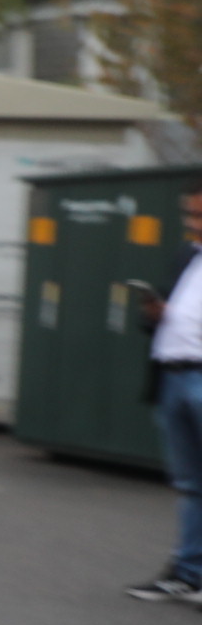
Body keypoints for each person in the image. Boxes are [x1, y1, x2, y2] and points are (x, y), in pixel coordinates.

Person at [131, 181, 202, 603]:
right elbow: (165, 322)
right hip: (172, 376)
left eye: (201, 217)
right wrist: (155, 313)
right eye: (190, 216)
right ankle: (188, 573)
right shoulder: (186, 257)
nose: (194, 225)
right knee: (191, 482)